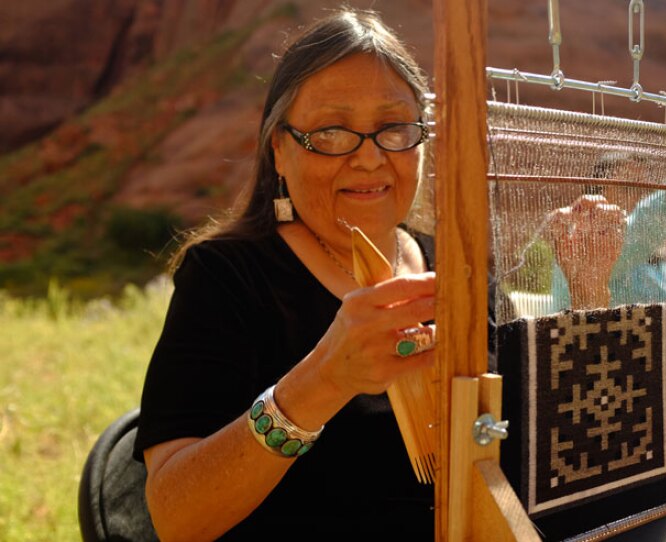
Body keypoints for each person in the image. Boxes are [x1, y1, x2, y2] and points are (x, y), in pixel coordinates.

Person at [133, 9, 625, 540]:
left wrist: (589, 290)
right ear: (279, 149)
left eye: (393, 129)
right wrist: (323, 380)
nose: (369, 159)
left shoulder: (453, 268)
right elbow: (174, 516)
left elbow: (532, 449)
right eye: (331, 132)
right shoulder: (227, 277)